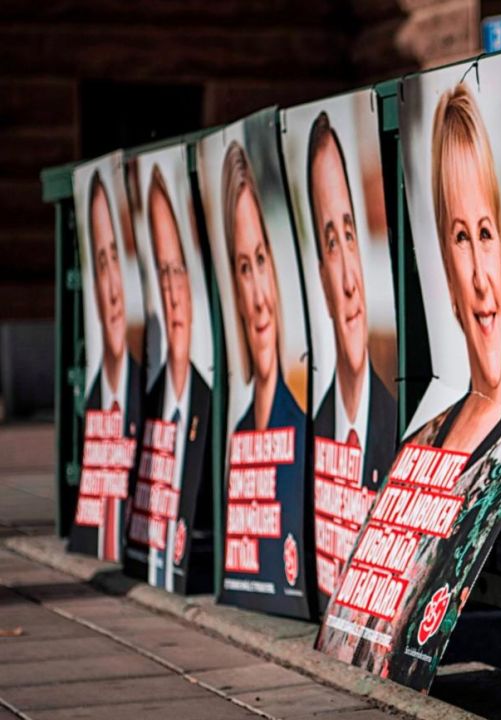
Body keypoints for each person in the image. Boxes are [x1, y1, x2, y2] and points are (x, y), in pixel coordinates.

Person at [318, 83, 501, 682]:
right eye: (460, 237)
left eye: (487, 233)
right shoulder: (424, 438)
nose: (480, 276)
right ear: (442, 258)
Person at [221, 140, 308, 605]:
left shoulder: (302, 422)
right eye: (242, 268)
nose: (257, 295)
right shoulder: (238, 432)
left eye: (262, 262)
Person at [305, 112, 396, 493]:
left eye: (349, 234)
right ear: (322, 279)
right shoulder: (312, 433)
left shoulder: (396, 424)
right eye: (330, 244)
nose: (348, 283)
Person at [138, 165, 213, 592]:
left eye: (179, 271)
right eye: (161, 273)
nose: (170, 291)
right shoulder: (149, 402)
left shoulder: (211, 397)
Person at [74, 169, 143, 559]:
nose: (114, 288)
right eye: (101, 263)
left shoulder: (155, 391)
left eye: (117, 258)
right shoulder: (95, 396)